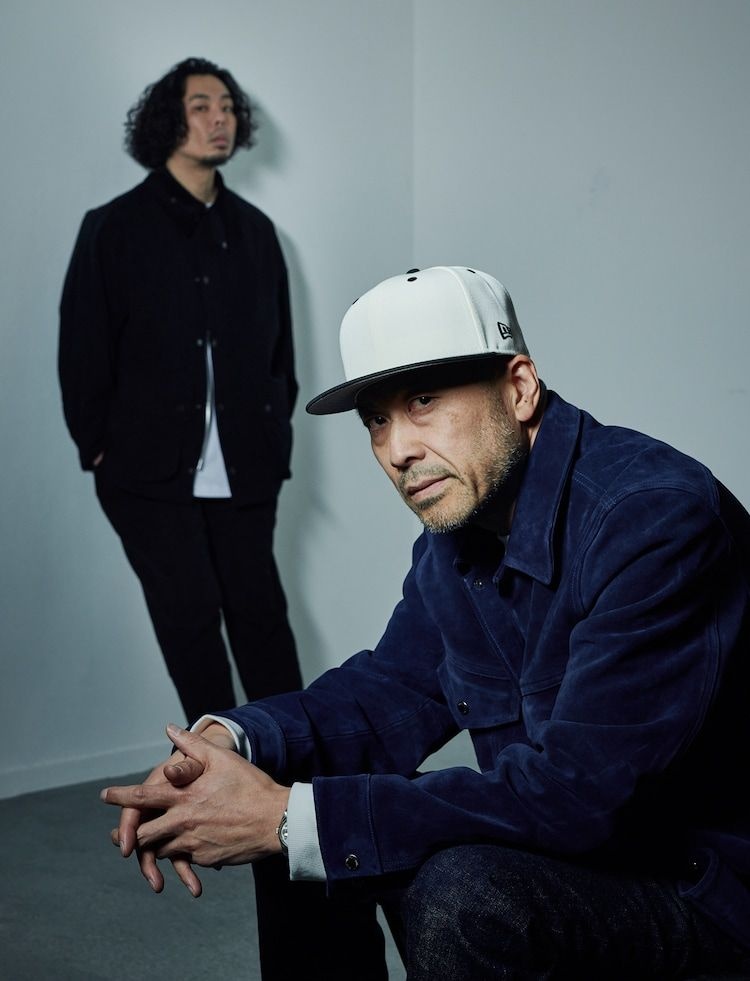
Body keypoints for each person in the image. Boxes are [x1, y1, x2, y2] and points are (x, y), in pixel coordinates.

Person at [101, 266, 750, 979]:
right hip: (591, 854)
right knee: (296, 795)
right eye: (377, 419)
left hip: (706, 889)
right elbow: (391, 691)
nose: (397, 450)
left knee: (451, 885)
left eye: (424, 401)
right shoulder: (462, 532)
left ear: (520, 388)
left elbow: (578, 792)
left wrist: (292, 817)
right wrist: (235, 740)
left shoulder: (653, 518)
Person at [59, 57, 302, 725]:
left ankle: (297, 764)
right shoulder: (113, 228)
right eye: (201, 106)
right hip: (145, 472)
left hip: (246, 467)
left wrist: (273, 434)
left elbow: (279, 354)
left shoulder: (256, 233)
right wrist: (98, 447)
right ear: (169, 120)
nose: (219, 118)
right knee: (189, 621)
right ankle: (219, 770)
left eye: (227, 107)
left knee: (262, 616)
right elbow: (82, 349)